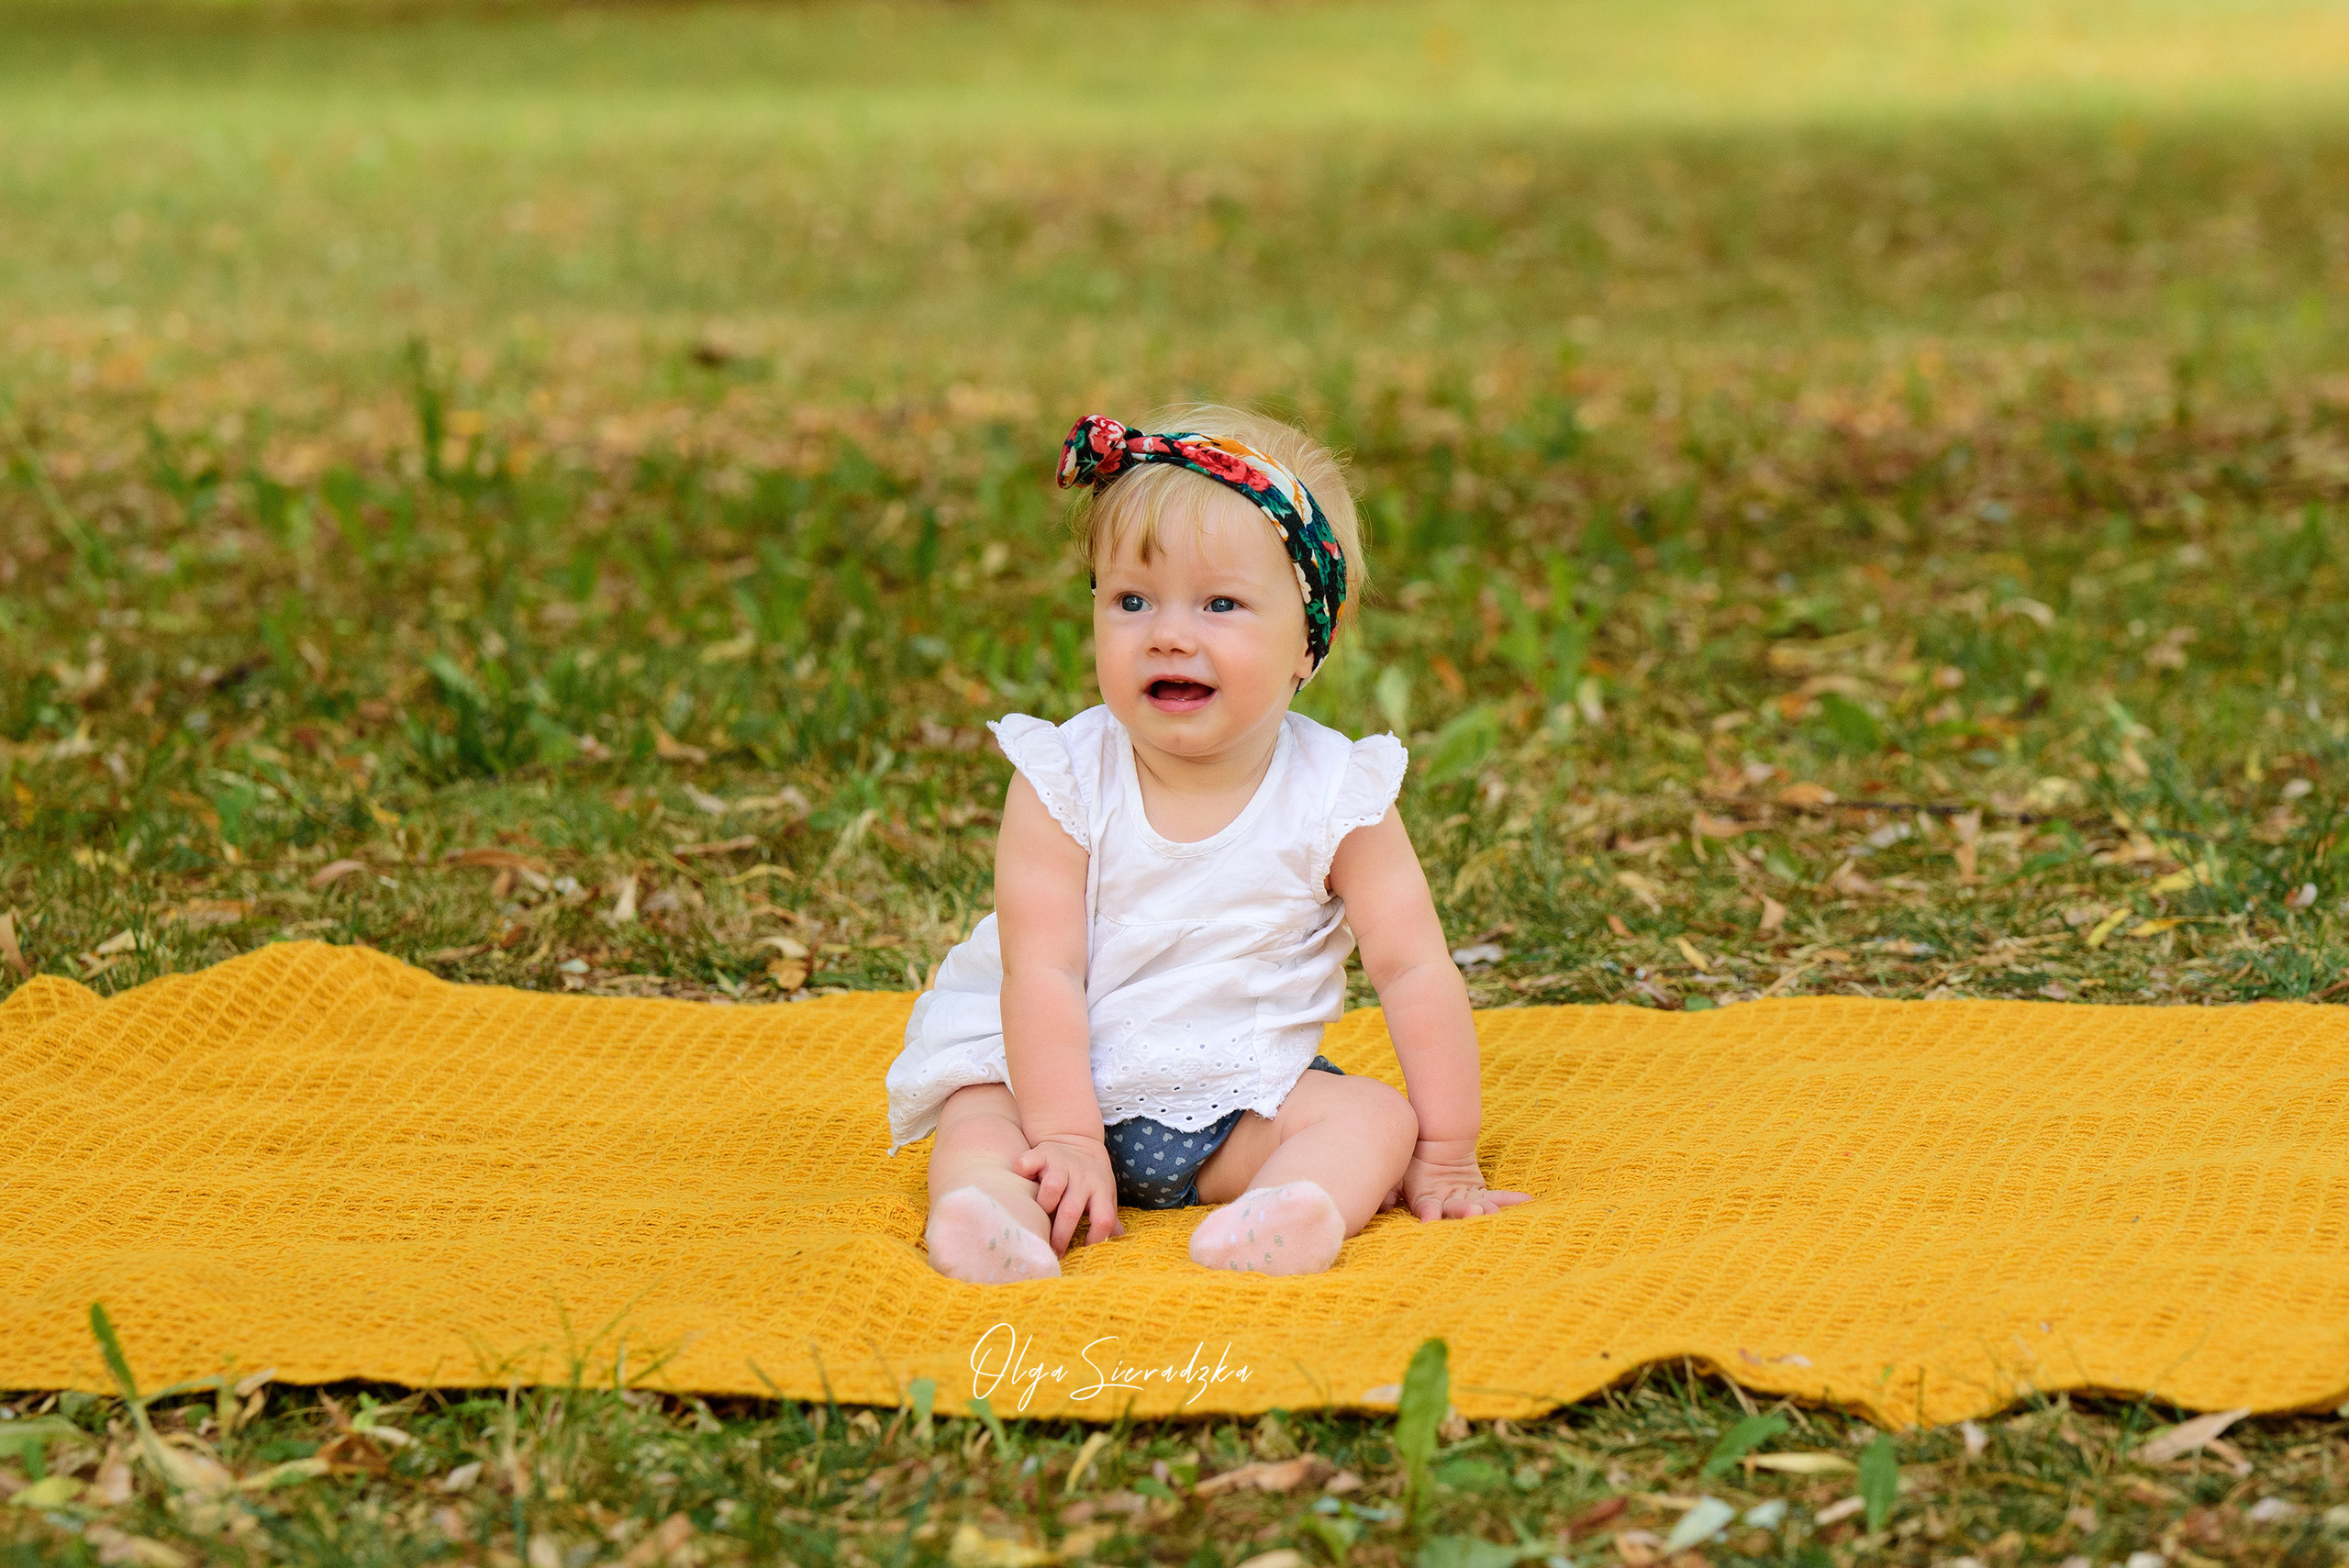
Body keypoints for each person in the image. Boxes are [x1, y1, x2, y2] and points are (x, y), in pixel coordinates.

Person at [884, 405, 1531, 1283]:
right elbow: (1038, 971)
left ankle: (1290, 1207)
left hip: (1233, 1097)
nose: (1169, 632)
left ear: (1310, 641)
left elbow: (1415, 969)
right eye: (1131, 600)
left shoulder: (1339, 795)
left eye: (1220, 603)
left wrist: (1447, 1150)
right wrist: (1068, 1137)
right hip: (1051, 1087)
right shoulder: (1064, 778)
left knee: (1376, 1117)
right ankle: (992, 1209)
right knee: (977, 1116)